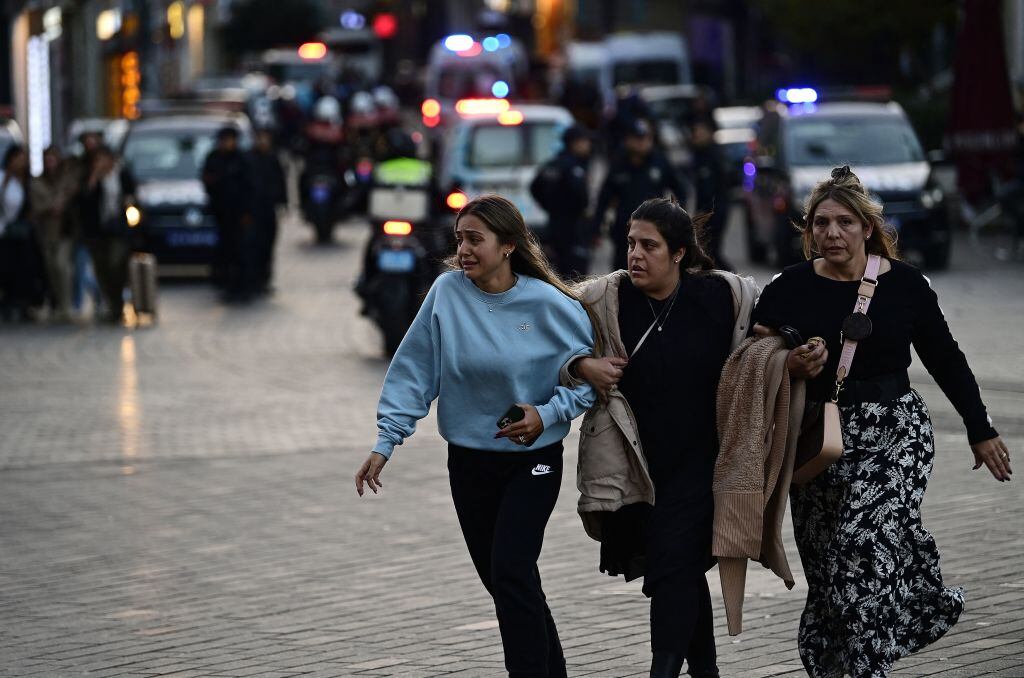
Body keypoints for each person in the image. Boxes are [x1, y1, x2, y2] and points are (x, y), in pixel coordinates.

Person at [751, 166, 1013, 678]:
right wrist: (787, 362)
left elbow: (946, 359)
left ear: (867, 228)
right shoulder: (789, 286)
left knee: (858, 550)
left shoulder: (906, 285)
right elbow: (751, 357)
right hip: (816, 441)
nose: (832, 234)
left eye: (844, 222)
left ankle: (870, 666)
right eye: (821, 223)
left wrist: (980, 429)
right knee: (830, 573)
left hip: (896, 433)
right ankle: (835, 663)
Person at [354, 194, 598, 678]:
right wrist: (386, 442)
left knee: (510, 571)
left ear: (508, 245)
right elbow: (414, 372)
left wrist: (546, 415)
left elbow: (588, 382)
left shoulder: (549, 304)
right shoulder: (446, 294)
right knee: (509, 582)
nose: (463, 249)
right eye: (459, 238)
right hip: (468, 464)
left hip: (533, 461)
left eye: (475, 239)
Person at [566, 198, 754, 678]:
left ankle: (663, 671)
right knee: (678, 572)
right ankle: (706, 672)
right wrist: (581, 365)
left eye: (649, 246)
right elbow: (552, 347)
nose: (635, 255)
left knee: (672, 562)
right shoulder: (603, 300)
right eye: (630, 243)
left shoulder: (720, 296)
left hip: (703, 462)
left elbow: (769, 337)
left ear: (680, 254)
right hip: (639, 466)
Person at [593, 119, 687, 271]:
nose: (642, 143)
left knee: (653, 272)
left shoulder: (659, 162)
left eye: (646, 138)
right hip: (624, 233)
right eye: (637, 139)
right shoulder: (618, 164)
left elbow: (681, 191)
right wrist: (595, 228)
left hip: (654, 231)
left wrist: (677, 219)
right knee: (622, 276)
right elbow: (604, 199)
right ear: (627, 140)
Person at [78, 146, 136, 324]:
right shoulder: (91, 178)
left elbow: (132, 195)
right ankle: (112, 305)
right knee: (101, 269)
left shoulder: (121, 175)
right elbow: (84, 202)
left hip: (118, 229)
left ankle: (118, 303)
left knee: (115, 263)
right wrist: (93, 179)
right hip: (98, 231)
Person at [530, 124, 593, 277]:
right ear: (575, 143)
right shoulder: (573, 167)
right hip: (573, 227)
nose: (589, 146)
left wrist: (549, 206)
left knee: (559, 271)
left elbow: (534, 187)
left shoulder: (553, 164)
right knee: (576, 275)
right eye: (586, 141)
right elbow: (581, 197)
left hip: (554, 224)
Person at [202, 126, 256, 301]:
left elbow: (251, 188)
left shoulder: (242, 160)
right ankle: (228, 286)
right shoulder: (214, 159)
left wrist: (248, 212)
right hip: (221, 215)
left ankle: (245, 287)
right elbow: (207, 182)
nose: (226, 144)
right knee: (225, 253)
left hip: (240, 216)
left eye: (229, 140)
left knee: (242, 252)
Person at [31, 146, 75, 321]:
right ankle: (59, 304)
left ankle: (66, 305)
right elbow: (36, 207)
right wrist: (51, 206)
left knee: (61, 265)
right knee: (51, 269)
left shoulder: (65, 179)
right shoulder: (38, 182)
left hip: (64, 231)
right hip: (47, 232)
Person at [0, 145, 43, 321]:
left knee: (24, 270)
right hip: (5, 232)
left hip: (24, 235)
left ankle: (24, 304)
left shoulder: (28, 181)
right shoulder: (4, 178)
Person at [247, 128, 287, 294]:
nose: (263, 141)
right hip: (253, 211)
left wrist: (283, 203)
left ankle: (265, 279)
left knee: (268, 245)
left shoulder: (273, 158)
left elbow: (281, 182)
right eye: (260, 138)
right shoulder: (248, 159)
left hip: (268, 210)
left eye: (265, 138)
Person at [689, 121, 732, 271]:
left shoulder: (715, 155)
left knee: (711, 250)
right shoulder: (697, 155)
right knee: (706, 250)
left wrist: (704, 212)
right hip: (705, 211)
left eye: (699, 131)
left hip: (716, 209)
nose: (696, 135)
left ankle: (734, 280)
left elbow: (716, 187)